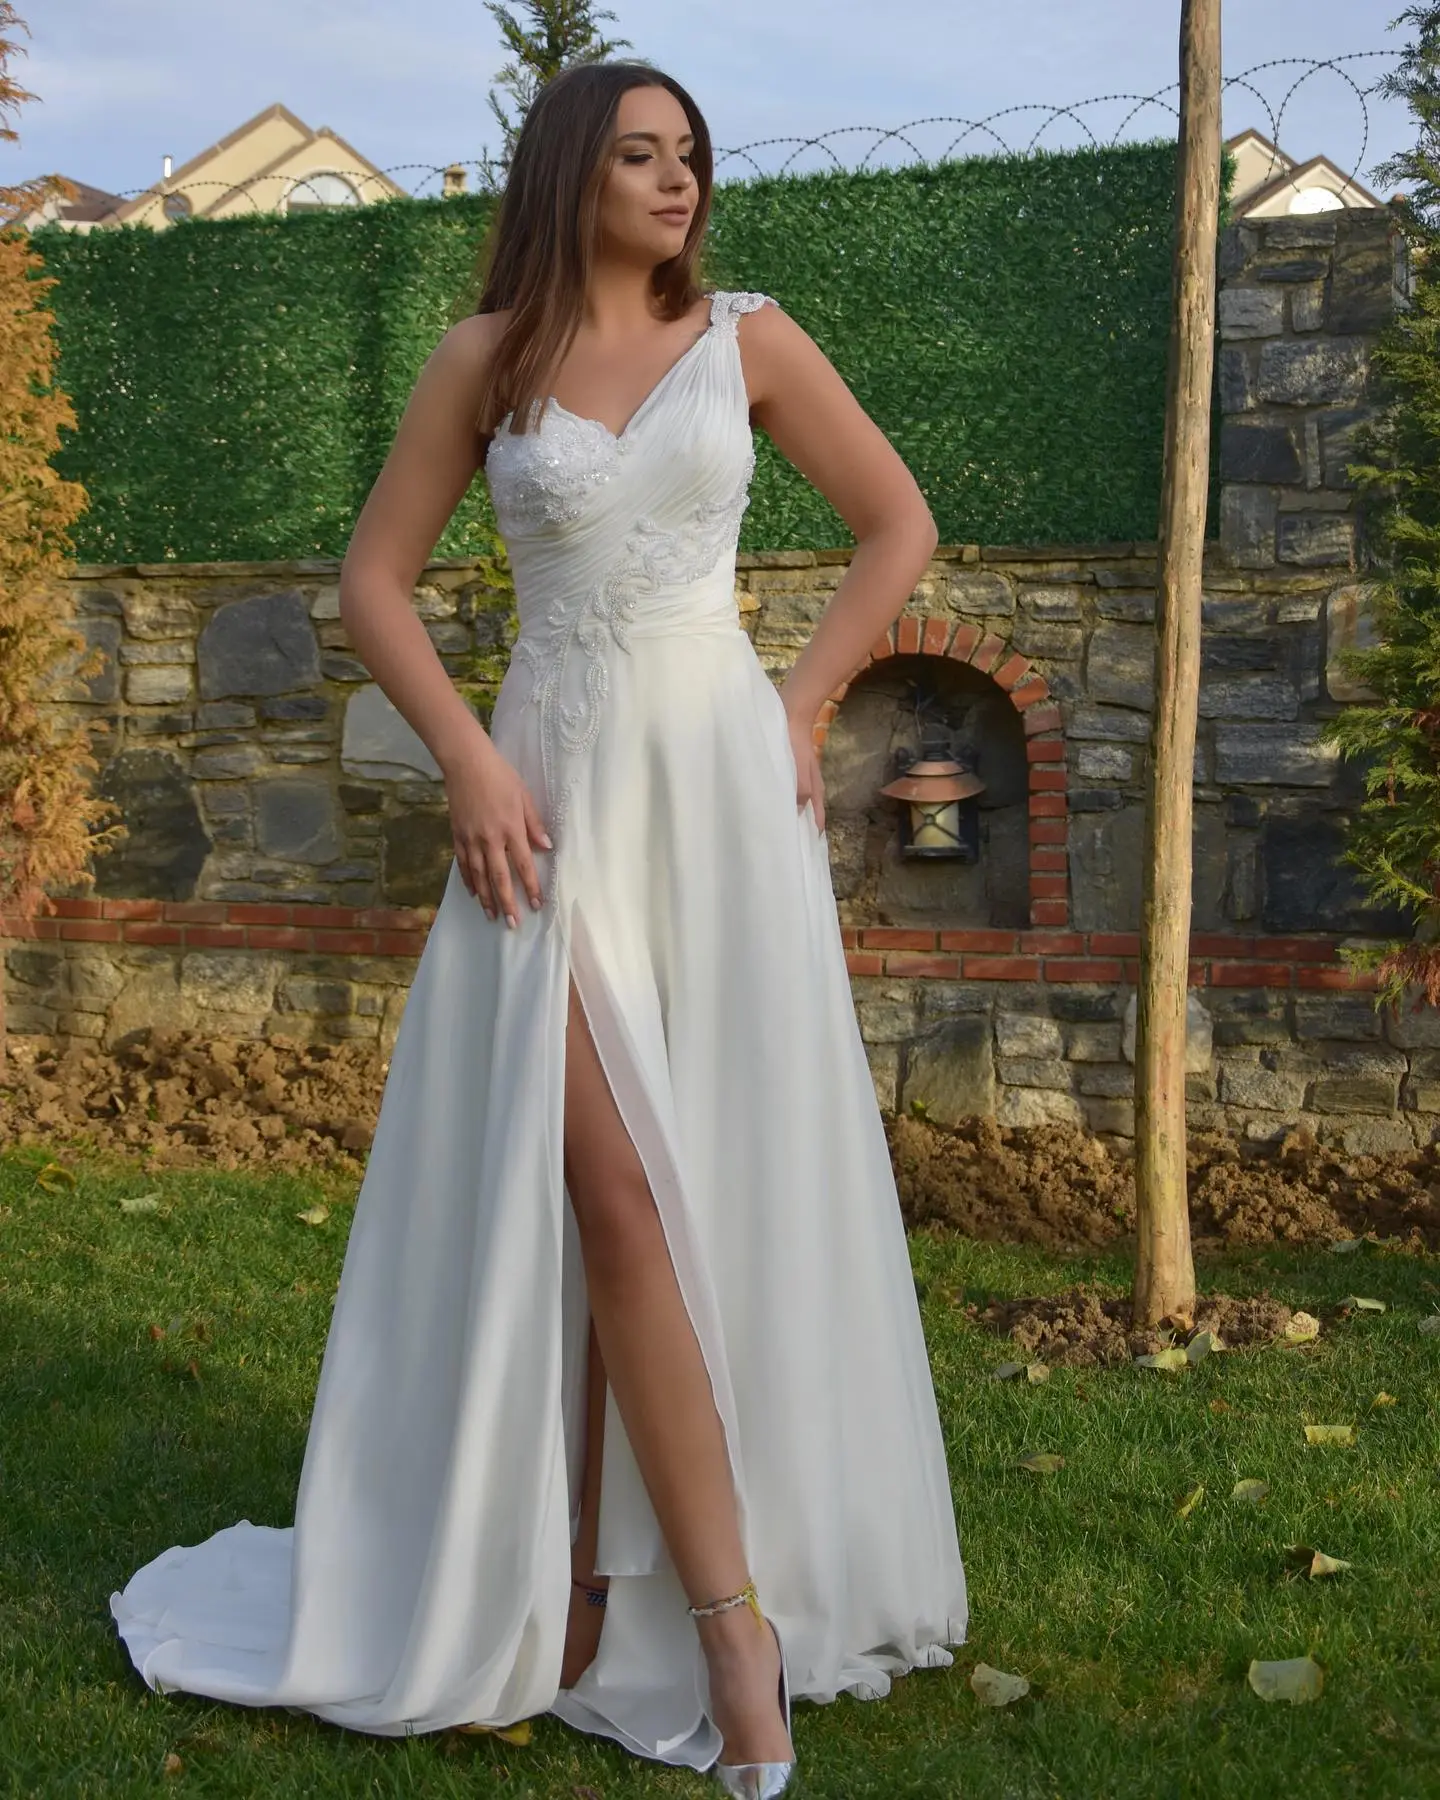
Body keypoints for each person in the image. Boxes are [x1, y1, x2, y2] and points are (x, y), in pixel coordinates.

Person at [109, 59, 968, 1797]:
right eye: (639, 154)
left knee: (702, 1187)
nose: (676, 180)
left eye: (690, 155)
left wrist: (802, 702)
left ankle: (601, 1588)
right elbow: (372, 580)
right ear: (571, 170)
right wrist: (468, 761)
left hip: (715, 798)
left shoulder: (751, 340)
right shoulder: (484, 360)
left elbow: (899, 524)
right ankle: (727, 1637)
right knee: (611, 1188)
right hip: (550, 805)